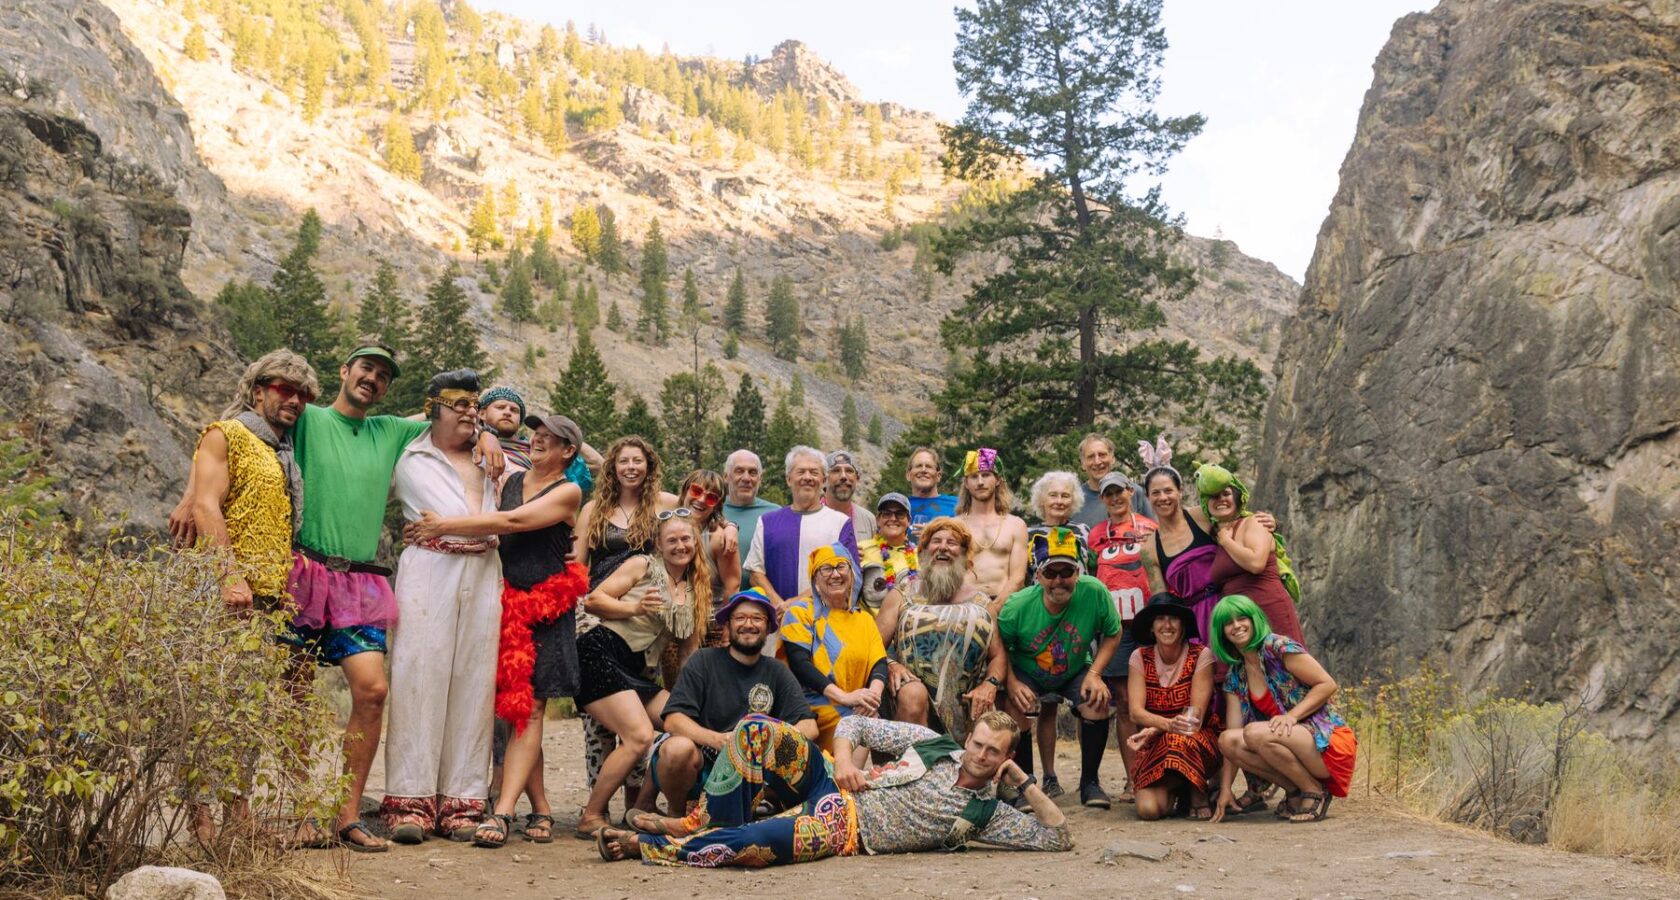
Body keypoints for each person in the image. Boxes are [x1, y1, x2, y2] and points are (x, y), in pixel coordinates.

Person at [168, 339, 504, 852]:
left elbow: (449, 415)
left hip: (361, 581)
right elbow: (234, 430)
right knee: (294, 696)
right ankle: (305, 810)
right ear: (345, 370)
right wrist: (192, 497)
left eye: (383, 375)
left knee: (371, 691)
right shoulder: (307, 418)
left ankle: (346, 815)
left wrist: (484, 433)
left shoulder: (392, 431)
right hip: (301, 570)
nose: (372, 379)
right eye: (365, 368)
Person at [402, 413, 590, 848]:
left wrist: (441, 526)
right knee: (513, 711)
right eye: (537, 433)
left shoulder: (568, 491)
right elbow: (458, 436)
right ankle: (540, 807)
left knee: (533, 710)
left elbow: (512, 524)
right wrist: (485, 431)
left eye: (553, 437)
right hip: (503, 601)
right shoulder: (510, 479)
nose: (539, 439)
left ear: (568, 452)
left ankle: (503, 812)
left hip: (546, 608)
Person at [596, 710, 1072, 865]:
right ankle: (697, 822)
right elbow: (852, 724)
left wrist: (1024, 782)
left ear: (1004, 757)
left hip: (846, 827)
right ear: (969, 736)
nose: (981, 755)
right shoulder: (932, 743)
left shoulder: (987, 813)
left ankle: (651, 845)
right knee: (755, 728)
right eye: (979, 744)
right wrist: (843, 761)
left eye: (994, 753)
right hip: (829, 780)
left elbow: (1057, 836)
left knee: (755, 843)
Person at [185, 349, 318, 843]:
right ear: (258, 389)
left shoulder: (281, 449)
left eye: (303, 394)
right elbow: (205, 502)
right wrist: (228, 575)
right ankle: (201, 821)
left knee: (247, 704)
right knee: (210, 700)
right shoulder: (228, 435)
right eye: (286, 388)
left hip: (267, 594)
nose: (296, 400)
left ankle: (238, 814)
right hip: (226, 589)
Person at [380, 370, 505, 844]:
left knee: (474, 681)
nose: (470, 412)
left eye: (475, 404)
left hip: (484, 570)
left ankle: (462, 801)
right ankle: (409, 801)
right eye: (458, 404)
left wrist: (489, 432)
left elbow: (582, 465)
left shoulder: (493, 457)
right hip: (428, 569)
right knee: (419, 677)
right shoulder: (406, 455)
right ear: (434, 406)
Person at [572, 510, 713, 837]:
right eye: (672, 540)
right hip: (600, 653)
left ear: (695, 543)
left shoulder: (696, 590)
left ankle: (645, 804)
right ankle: (591, 816)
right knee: (638, 737)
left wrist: (692, 696)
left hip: (636, 671)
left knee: (684, 724)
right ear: (660, 547)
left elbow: (689, 652)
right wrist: (634, 608)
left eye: (686, 539)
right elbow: (594, 600)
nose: (680, 545)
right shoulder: (643, 565)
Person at [636, 588, 816, 822]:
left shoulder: (777, 671)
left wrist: (764, 741)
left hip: (753, 775)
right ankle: (678, 814)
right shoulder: (703, 661)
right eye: (740, 618)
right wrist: (718, 740)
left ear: (769, 627)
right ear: (728, 625)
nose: (748, 624)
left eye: (757, 618)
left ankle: (751, 812)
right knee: (676, 749)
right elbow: (673, 719)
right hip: (704, 765)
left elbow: (810, 726)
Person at [574, 436, 680, 802]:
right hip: (596, 612)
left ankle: (635, 796)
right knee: (599, 715)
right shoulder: (594, 510)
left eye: (638, 461)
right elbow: (577, 562)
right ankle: (598, 800)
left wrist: (726, 529)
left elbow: (699, 517)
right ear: (612, 467)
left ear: (649, 467)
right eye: (623, 461)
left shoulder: (662, 504)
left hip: (642, 618)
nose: (631, 468)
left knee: (636, 700)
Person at [997, 527, 1120, 809]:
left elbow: (1113, 633)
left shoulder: (1095, 592)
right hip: (1027, 669)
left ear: (1079, 572)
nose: (1059, 580)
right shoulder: (1018, 606)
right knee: (1017, 707)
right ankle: (1024, 783)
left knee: (1097, 701)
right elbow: (999, 646)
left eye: (1067, 572)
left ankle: (1090, 782)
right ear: (1037, 575)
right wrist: (1012, 683)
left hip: (1076, 668)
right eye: (1050, 573)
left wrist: (1095, 673)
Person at [1209, 596, 1357, 824]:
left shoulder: (1277, 647)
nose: (1237, 626)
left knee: (1253, 733)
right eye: (1228, 623)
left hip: (1326, 742)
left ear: (1254, 619)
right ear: (1222, 632)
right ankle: (1295, 791)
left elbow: (1327, 684)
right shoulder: (1235, 676)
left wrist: (1291, 716)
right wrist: (1226, 788)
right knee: (1228, 740)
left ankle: (1316, 792)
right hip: (1287, 743)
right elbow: (1233, 734)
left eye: (1242, 618)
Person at [1138, 440, 1275, 657]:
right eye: (1155, 493)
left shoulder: (1202, 517)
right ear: (1147, 497)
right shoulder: (1149, 549)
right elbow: (1162, 603)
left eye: (1168, 490)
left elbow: (1238, 525)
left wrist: (1267, 521)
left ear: (1180, 491)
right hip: (1196, 620)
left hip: (1231, 605)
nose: (1163, 498)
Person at [876, 517, 1003, 741]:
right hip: (909, 700)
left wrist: (989, 684)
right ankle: (913, 769)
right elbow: (873, 647)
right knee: (913, 695)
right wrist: (892, 665)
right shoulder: (901, 595)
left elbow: (999, 656)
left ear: (964, 555)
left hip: (965, 700)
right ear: (923, 551)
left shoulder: (982, 603)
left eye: (952, 543)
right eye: (936, 541)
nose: (943, 547)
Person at [1021, 470, 1098, 797]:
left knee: (1086, 703)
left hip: (1076, 624)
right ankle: (1049, 775)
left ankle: (1088, 777)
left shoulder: (1084, 531)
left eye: (1065, 495)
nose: (1059, 501)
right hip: (1041, 625)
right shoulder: (1028, 532)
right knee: (1047, 706)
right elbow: (1025, 577)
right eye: (1052, 495)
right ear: (1041, 500)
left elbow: (1092, 572)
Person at [1086, 471, 1159, 801]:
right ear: (1102, 498)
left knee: (1154, 698)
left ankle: (1157, 771)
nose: (1115, 498)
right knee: (1126, 703)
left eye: (1120, 491)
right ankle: (1134, 779)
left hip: (1149, 624)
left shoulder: (1149, 527)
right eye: (1108, 494)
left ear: (1131, 492)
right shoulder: (1095, 535)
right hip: (1114, 628)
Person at [777, 543, 889, 752]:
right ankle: (840, 781)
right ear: (815, 579)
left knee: (870, 719)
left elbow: (879, 663)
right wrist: (845, 697)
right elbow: (799, 665)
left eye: (841, 567)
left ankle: (850, 782)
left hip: (855, 702)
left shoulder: (864, 619)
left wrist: (871, 698)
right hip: (809, 704)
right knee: (856, 723)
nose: (835, 574)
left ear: (852, 573)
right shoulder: (800, 612)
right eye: (826, 569)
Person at [1125, 594, 1219, 821]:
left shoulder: (1201, 655)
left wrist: (1157, 728)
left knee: (1179, 739)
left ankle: (1198, 792)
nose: (1167, 625)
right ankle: (1183, 789)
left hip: (1197, 739)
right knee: (1149, 810)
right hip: (1156, 743)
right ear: (1151, 627)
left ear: (1183, 626)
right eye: (1160, 619)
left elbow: (1194, 717)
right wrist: (1165, 726)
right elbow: (1135, 712)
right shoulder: (1139, 657)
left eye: (1174, 619)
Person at [1199, 464, 1306, 648]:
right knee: (1253, 673)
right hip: (1239, 622)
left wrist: (1227, 542)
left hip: (1268, 607)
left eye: (1226, 494)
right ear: (1205, 504)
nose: (1221, 499)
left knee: (1284, 669)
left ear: (1237, 497)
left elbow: (1256, 563)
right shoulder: (1214, 536)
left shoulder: (1254, 522)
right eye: (1214, 496)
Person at [744, 446, 858, 617]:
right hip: (777, 622)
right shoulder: (767, 522)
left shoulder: (840, 523)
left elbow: (849, 575)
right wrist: (778, 604)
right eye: (801, 472)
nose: (807, 477)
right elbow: (755, 571)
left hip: (825, 623)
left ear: (824, 480)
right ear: (789, 479)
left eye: (814, 472)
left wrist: (796, 603)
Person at [477, 385, 602, 490]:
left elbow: (598, 465)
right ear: (481, 413)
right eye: (500, 407)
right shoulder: (469, 442)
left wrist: (562, 434)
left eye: (515, 410)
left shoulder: (538, 452)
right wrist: (485, 434)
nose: (508, 412)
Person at [674, 469, 742, 652]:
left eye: (711, 498)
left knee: (708, 680)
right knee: (675, 681)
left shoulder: (718, 538)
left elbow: (732, 585)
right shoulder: (668, 526)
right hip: (672, 627)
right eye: (696, 491)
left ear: (717, 506)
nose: (702, 499)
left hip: (710, 629)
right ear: (685, 491)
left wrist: (727, 629)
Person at [955, 448, 1028, 614]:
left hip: (1007, 607)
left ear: (997, 480)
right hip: (965, 607)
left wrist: (993, 609)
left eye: (986, 475)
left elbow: (1017, 579)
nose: (980, 482)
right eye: (974, 476)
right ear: (966, 484)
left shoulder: (1016, 525)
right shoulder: (955, 526)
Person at [719, 449, 779, 582]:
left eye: (752, 472)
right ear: (726, 476)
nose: (746, 478)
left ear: (760, 479)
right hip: (713, 599)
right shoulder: (711, 510)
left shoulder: (775, 515)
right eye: (739, 471)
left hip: (762, 600)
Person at [1072, 433, 1149, 529]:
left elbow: (1154, 533)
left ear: (1112, 459)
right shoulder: (1074, 499)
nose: (1097, 462)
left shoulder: (1135, 493)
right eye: (1091, 457)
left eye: (1102, 455)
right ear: (1083, 464)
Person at [857, 492, 918, 613]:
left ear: (909, 520)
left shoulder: (920, 555)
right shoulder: (860, 549)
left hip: (910, 626)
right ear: (878, 519)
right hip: (870, 628)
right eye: (886, 514)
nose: (893, 518)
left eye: (899, 514)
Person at [903, 446, 957, 540]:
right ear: (908, 475)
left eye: (928, 466)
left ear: (938, 476)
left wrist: (935, 535)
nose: (923, 470)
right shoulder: (899, 506)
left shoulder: (957, 505)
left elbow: (969, 537)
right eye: (919, 466)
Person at [822, 449, 876, 542]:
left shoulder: (868, 520)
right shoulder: (807, 518)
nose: (843, 476)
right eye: (836, 470)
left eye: (849, 471)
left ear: (857, 479)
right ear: (824, 479)